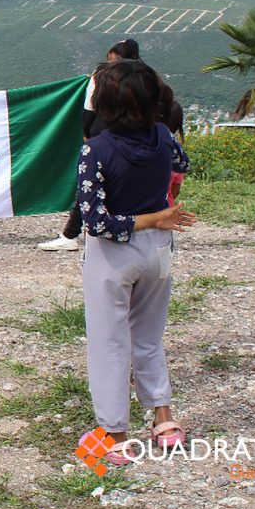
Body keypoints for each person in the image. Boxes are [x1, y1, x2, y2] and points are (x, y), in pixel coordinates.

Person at [76, 59, 194, 466]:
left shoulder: (97, 150)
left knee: (109, 341)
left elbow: (94, 220)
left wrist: (149, 217)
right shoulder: (163, 135)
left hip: (115, 255)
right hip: (159, 250)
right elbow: (183, 164)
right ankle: (163, 418)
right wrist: (159, 216)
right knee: (148, 336)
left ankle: (115, 434)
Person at [38, 38, 140, 251]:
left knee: (89, 185)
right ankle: (135, 229)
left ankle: (70, 235)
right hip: (138, 137)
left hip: (103, 135)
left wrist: (87, 133)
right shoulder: (146, 76)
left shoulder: (101, 75)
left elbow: (89, 109)